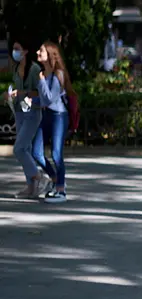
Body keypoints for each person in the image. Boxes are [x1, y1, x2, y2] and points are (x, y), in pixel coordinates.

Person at [4, 40, 49, 199]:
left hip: (33, 113)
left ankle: (38, 176)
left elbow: (41, 94)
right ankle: (31, 187)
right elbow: (18, 92)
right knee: (26, 149)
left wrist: (22, 93)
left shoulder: (35, 69)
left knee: (19, 149)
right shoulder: (16, 69)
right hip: (20, 112)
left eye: (17, 49)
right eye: (13, 49)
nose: (14, 52)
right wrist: (9, 96)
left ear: (25, 51)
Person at [35, 41, 72, 203]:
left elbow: (50, 98)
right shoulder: (45, 74)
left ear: (49, 54)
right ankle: (56, 178)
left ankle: (61, 190)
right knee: (36, 152)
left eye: (41, 51)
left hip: (59, 117)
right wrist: (28, 100)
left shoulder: (58, 74)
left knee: (56, 153)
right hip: (47, 115)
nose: (37, 52)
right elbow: (43, 100)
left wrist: (41, 81)